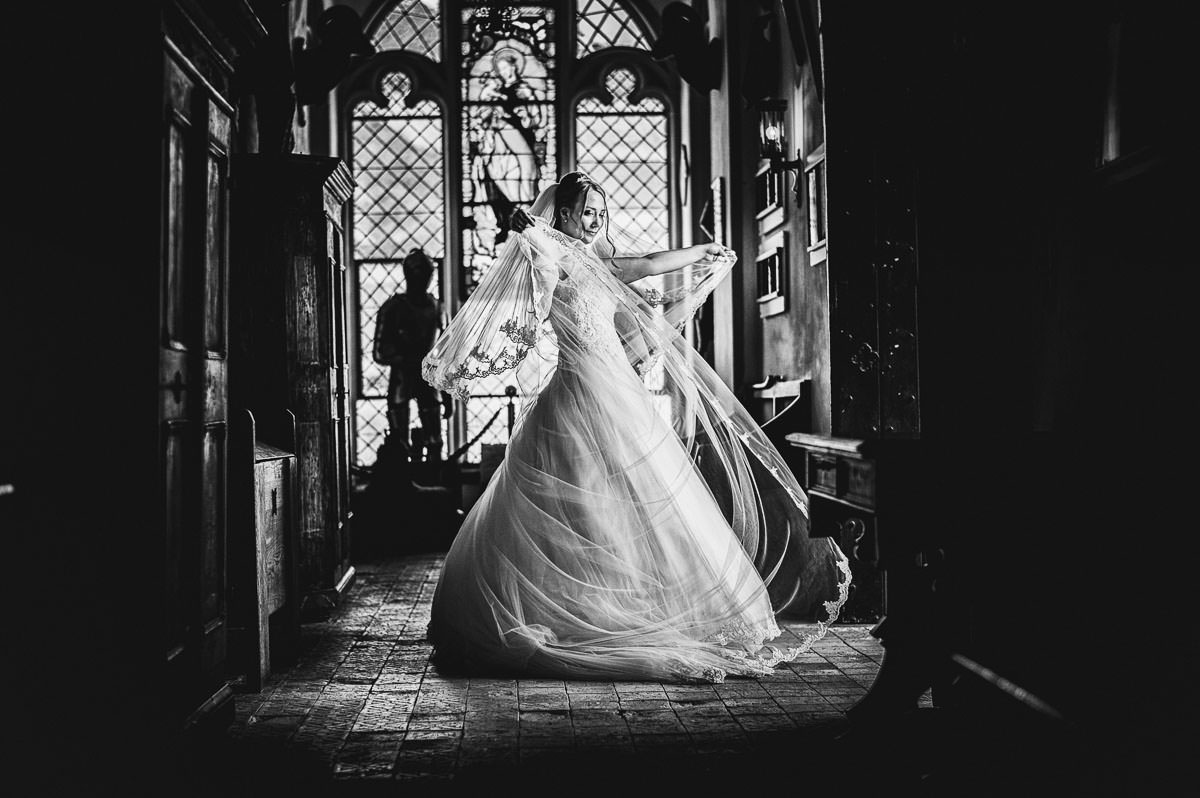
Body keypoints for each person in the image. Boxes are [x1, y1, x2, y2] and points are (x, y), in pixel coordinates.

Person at [422, 172, 851, 683]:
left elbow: (647, 263)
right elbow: (532, 252)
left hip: (617, 391)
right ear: (562, 214)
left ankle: (627, 602)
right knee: (577, 499)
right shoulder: (552, 254)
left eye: (602, 210)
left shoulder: (600, 261)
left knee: (633, 498)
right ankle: (569, 610)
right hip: (576, 391)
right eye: (587, 209)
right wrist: (527, 231)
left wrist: (703, 252)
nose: (597, 218)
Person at [373, 249, 450, 461]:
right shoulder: (393, 308)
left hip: (430, 380)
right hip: (402, 378)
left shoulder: (437, 307)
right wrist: (408, 360)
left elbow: (446, 352)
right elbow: (380, 352)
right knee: (400, 444)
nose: (422, 279)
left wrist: (448, 392)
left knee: (435, 441)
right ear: (408, 275)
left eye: (426, 274)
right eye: (418, 273)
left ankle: (435, 483)